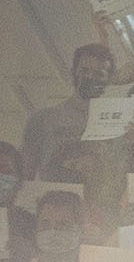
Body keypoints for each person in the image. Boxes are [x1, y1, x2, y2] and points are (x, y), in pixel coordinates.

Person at [23, 44, 113, 181]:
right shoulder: (43, 118)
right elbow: (25, 169)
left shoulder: (119, 124)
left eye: (99, 74)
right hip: (55, 196)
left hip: (101, 199)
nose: (90, 77)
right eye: (84, 71)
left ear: (108, 79)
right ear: (73, 72)